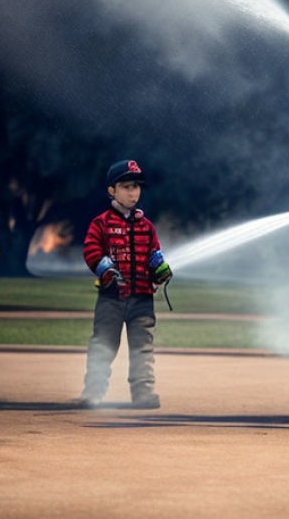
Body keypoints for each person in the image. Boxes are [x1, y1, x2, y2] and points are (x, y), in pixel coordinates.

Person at [78, 159, 172, 409]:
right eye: (127, 187)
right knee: (103, 345)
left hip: (142, 299)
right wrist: (104, 268)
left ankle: (143, 394)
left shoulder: (146, 226)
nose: (134, 192)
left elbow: (154, 253)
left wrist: (160, 269)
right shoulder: (101, 223)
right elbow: (91, 251)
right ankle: (93, 393)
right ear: (112, 190)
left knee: (143, 350)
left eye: (137, 187)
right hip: (111, 299)